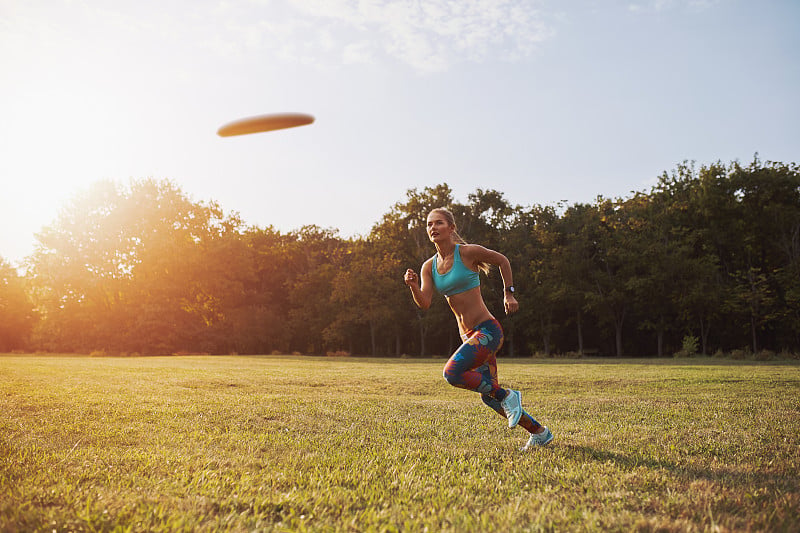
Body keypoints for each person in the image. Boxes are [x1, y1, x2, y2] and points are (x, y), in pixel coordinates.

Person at [403, 207, 553, 450]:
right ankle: (539, 432)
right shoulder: (428, 267)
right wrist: (412, 286)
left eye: (439, 223)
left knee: (452, 373)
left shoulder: (468, 253)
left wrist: (509, 294)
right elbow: (425, 303)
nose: (433, 228)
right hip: (468, 337)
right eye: (429, 224)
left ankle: (508, 396)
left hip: (487, 331)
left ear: (451, 228)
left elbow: (502, 260)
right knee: (488, 397)